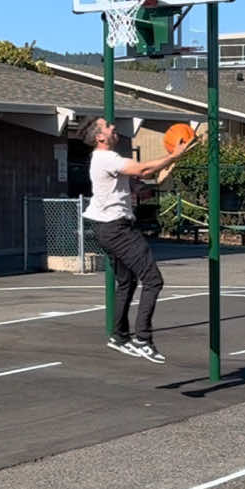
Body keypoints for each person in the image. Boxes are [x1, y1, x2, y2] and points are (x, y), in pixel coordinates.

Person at [79, 116, 195, 363]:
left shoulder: (104, 161)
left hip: (107, 227)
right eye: (108, 126)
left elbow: (138, 183)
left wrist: (152, 182)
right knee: (153, 280)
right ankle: (143, 339)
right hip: (116, 229)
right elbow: (142, 169)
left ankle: (119, 336)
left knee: (127, 282)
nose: (113, 128)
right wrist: (173, 155)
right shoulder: (107, 157)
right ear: (100, 136)